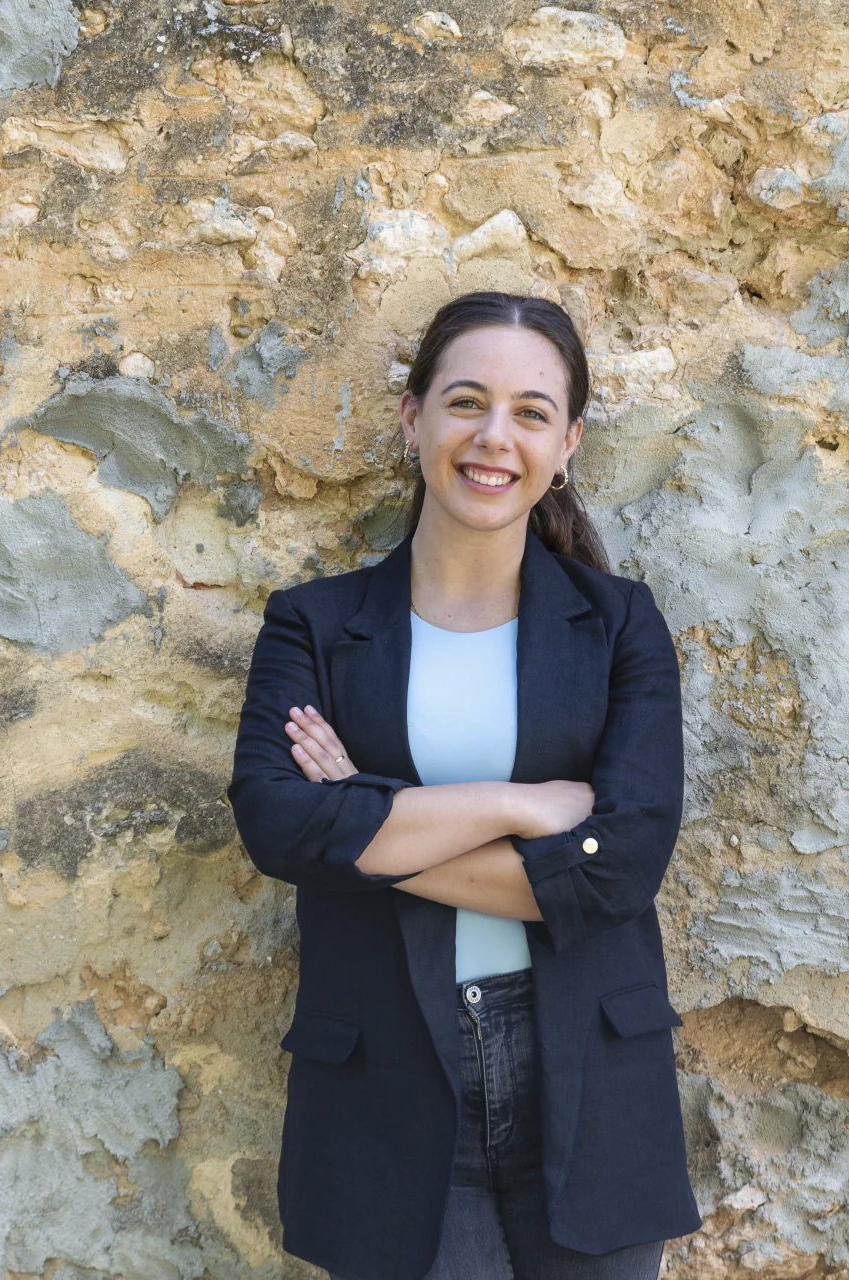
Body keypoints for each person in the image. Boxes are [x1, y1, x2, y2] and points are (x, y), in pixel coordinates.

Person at [225, 291, 702, 1280]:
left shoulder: (621, 627)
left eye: (530, 412)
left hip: (588, 1078)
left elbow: (618, 870)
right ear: (413, 419)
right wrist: (519, 804)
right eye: (466, 401)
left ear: (566, 442)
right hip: (386, 1082)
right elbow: (278, 823)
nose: (494, 437)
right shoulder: (313, 626)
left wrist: (367, 815)